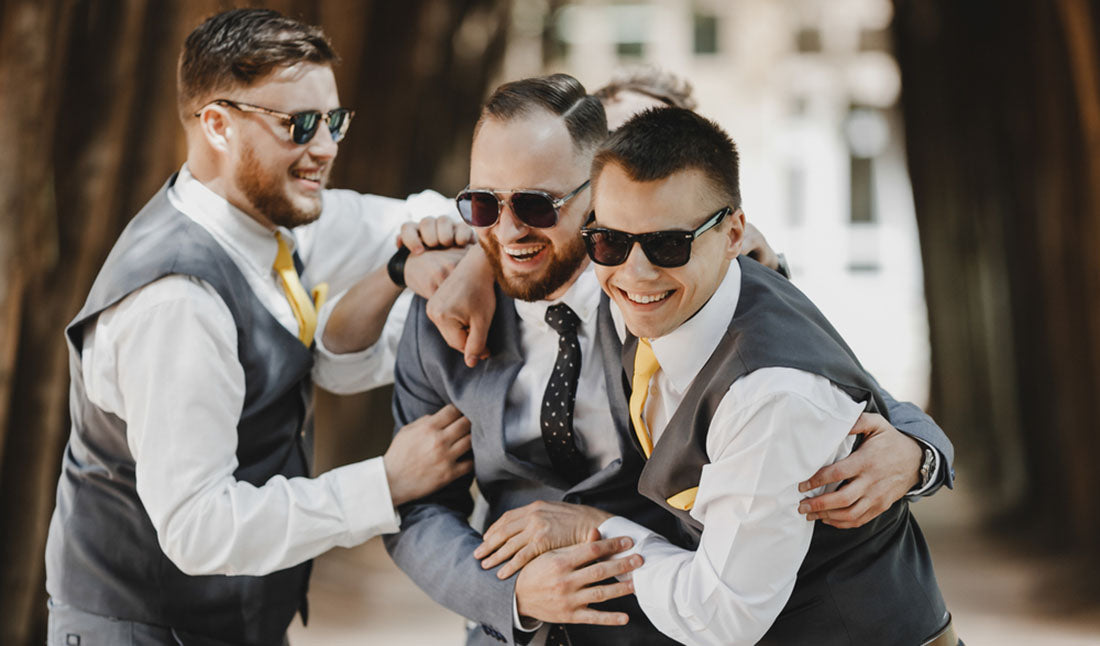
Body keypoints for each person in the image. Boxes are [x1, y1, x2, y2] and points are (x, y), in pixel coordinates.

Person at [331, 74, 954, 645]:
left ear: (594, 195)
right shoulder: (440, 312)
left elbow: (826, 379)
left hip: (669, 623)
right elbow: (416, 507)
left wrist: (917, 453)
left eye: (538, 206)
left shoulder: (662, 290)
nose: (510, 229)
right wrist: (511, 594)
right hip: (515, 625)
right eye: (485, 207)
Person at [44, 9, 473, 646]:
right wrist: (384, 482)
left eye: (334, 121)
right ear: (216, 125)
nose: (324, 148)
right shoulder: (177, 302)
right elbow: (199, 527)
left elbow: (417, 218)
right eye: (299, 124)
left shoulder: (276, 219)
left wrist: (471, 239)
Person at [501, 106, 957, 644]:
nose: (636, 272)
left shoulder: (773, 393)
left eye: (668, 243)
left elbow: (721, 616)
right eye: (610, 243)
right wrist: (451, 269)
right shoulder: (645, 296)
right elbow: (501, 211)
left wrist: (590, 528)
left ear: (734, 232)